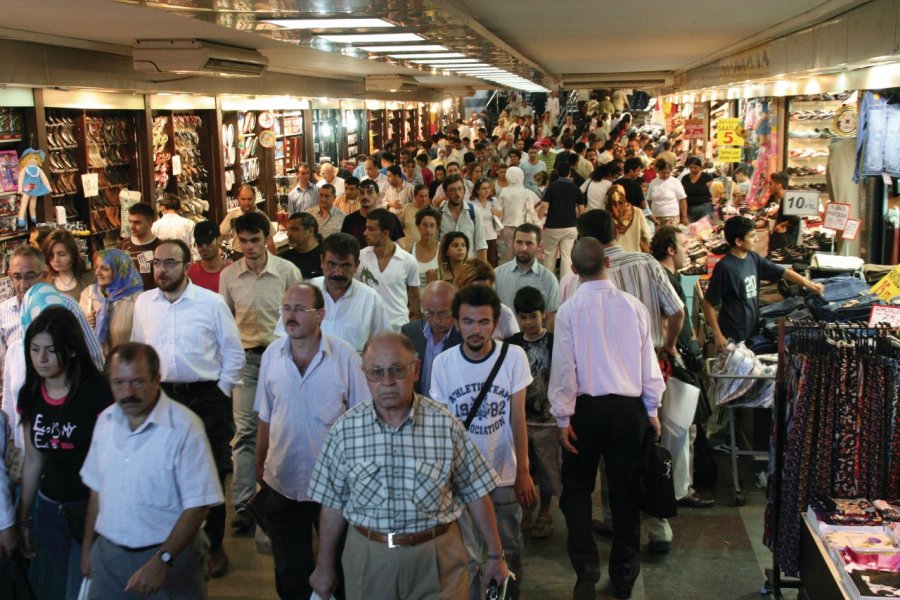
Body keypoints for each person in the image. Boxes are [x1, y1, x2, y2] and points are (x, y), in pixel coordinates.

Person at [307, 332, 509, 600]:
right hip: (369, 559)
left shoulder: (445, 425)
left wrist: (496, 555)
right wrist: (324, 566)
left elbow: (476, 492)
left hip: (438, 560)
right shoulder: (345, 430)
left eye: (397, 370)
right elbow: (332, 504)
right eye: (376, 372)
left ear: (416, 370)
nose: (387, 381)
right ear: (364, 374)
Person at [549, 237, 665, 600]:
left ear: (573, 271)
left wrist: (562, 418)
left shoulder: (568, 310)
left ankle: (586, 567)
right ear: (608, 264)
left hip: (587, 410)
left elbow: (565, 368)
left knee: (577, 491)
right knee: (626, 494)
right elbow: (649, 363)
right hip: (629, 410)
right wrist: (652, 408)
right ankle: (624, 576)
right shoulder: (634, 307)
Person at [131, 238, 245, 577]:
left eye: (169, 263)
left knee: (208, 473)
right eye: (157, 263)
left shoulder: (210, 303)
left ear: (186, 265)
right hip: (161, 397)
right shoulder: (144, 303)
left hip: (206, 396)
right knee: (164, 472)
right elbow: (139, 352)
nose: (161, 270)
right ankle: (172, 545)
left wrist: (220, 391)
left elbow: (233, 353)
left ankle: (214, 545)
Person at [79, 343, 223, 599]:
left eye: (138, 382)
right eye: (118, 383)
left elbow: (199, 505)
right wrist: (88, 549)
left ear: (157, 380)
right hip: (109, 559)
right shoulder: (105, 422)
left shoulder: (185, 427)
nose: (128, 392)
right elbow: (96, 491)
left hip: (171, 563)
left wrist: (162, 561)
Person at [255, 283, 368, 599]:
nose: (290, 315)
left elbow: (362, 419)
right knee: (290, 572)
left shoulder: (345, 356)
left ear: (320, 314)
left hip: (334, 486)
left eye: (299, 309)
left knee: (341, 569)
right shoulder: (271, 356)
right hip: (283, 480)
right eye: (286, 308)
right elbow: (265, 416)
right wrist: (259, 466)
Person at [430, 285, 534, 599]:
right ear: (456, 322)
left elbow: (518, 417)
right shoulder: (444, 364)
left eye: (484, 322)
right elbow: (444, 427)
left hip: (502, 472)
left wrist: (523, 471)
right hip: (462, 479)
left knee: (508, 547)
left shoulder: (513, 356)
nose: (476, 330)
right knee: (470, 555)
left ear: (496, 322)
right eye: (469, 322)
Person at [16, 306, 113, 599]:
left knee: (80, 589)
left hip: (91, 509)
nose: (41, 359)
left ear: (71, 351)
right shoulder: (31, 392)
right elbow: (34, 459)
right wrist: (23, 517)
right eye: (34, 349)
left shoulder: (97, 391)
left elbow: (109, 463)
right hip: (49, 509)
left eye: (51, 350)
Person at [219, 211, 302, 534]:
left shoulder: (287, 271)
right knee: (245, 433)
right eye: (244, 241)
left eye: (255, 240)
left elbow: (301, 314)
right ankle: (243, 505)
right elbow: (225, 322)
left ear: (267, 238)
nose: (250, 247)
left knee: (286, 428)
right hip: (246, 360)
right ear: (236, 241)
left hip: (282, 358)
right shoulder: (229, 276)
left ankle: (285, 496)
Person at [650, 227, 715, 510]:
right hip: (672, 362)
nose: (687, 250)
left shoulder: (669, 277)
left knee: (682, 428)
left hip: (676, 359)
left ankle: (679, 486)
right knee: (680, 428)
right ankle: (678, 489)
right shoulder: (663, 278)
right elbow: (669, 317)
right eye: (682, 245)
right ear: (670, 250)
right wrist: (672, 347)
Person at [702, 216, 824, 351]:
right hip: (733, 332)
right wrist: (718, 335)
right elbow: (708, 304)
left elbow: (782, 272)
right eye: (752, 236)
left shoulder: (753, 258)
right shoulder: (725, 267)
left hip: (752, 328)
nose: (757, 239)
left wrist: (809, 284)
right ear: (738, 241)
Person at [505, 286, 558, 540]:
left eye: (533, 316)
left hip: (548, 418)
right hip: (520, 419)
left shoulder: (554, 342)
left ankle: (545, 512)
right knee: (524, 468)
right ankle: (527, 509)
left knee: (548, 470)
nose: (528, 322)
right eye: (523, 317)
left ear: (543, 314)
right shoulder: (512, 345)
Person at [307, 233, 392, 354]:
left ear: (357, 265)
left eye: (345, 265)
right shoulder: (305, 293)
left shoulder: (371, 300)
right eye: (331, 264)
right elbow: (285, 337)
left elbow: (384, 346)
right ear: (322, 261)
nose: (338, 273)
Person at [357, 208, 421, 330]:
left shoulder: (408, 260)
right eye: (366, 228)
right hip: (367, 325)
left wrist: (419, 327)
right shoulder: (360, 257)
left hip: (398, 325)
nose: (365, 233)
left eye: (371, 229)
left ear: (385, 233)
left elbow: (414, 296)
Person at [400, 280, 462, 395]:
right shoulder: (409, 332)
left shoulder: (464, 337)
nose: (436, 320)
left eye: (443, 313)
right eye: (429, 313)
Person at [494, 223, 559, 331]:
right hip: (505, 341)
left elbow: (551, 317)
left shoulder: (549, 279)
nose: (523, 248)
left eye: (529, 243)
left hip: (535, 342)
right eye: (519, 242)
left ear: (538, 246)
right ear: (513, 243)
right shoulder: (497, 275)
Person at [79, 249, 143, 355]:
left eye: (104, 268)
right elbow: (80, 334)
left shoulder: (138, 300)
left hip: (126, 364)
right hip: (98, 364)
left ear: (120, 270)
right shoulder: (88, 294)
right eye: (96, 267)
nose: (97, 272)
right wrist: (83, 323)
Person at [454, 258, 521, 341]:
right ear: (461, 288)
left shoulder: (504, 314)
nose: (479, 297)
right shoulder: (449, 314)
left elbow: (515, 349)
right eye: (473, 291)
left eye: (485, 291)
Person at [539, 161, 585, 278]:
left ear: (557, 172)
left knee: (550, 255)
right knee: (567, 255)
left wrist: (538, 218)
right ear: (570, 173)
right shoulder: (576, 188)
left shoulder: (552, 187)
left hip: (553, 226)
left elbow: (544, 206)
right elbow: (581, 210)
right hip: (570, 226)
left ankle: (549, 281)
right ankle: (565, 283)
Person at [438, 174, 488, 260]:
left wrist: (483, 271)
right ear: (446, 193)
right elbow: (435, 245)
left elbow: (481, 244)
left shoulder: (474, 212)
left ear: (464, 191)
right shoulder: (439, 214)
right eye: (452, 190)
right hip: (446, 267)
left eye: (460, 189)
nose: (457, 194)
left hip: (469, 266)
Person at [341, 179, 403, 247]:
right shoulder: (349, 220)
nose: (365, 196)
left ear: (378, 195)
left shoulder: (391, 218)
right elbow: (344, 247)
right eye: (361, 193)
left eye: (370, 192)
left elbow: (400, 247)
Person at [496, 167, 540, 263]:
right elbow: (531, 211)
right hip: (522, 227)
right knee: (523, 250)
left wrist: (497, 229)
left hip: (507, 226)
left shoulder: (504, 192)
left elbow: (500, 211)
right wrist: (538, 224)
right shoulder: (526, 192)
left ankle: (509, 272)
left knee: (509, 250)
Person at [42, 229, 95, 302]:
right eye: (51, 255)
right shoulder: (47, 284)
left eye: (61, 254)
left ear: (72, 254)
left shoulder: (90, 278)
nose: (56, 260)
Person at [119, 202, 159, 291]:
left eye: (137, 222)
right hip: (129, 300)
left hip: (153, 300)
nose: (132, 226)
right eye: (130, 221)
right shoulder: (122, 246)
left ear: (150, 223)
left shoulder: (161, 247)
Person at [187, 220, 231, 293]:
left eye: (208, 242)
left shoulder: (232, 272)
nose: (203, 247)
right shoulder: (190, 273)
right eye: (200, 243)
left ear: (219, 240)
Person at [608, 184, 651, 253]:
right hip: (635, 254)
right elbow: (646, 234)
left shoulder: (606, 214)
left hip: (615, 257)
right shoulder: (637, 211)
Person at [279, 212, 323, 279]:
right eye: (288, 230)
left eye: (294, 229)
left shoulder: (327, 256)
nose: (288, 234)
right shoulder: (286, 258)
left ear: (311, 231)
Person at [646, 158, 687, 227]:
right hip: (657, 217)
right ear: (658, 171)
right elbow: (649, 200)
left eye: (668, 173)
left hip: (672, 216)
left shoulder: (675, 182)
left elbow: (682, 199)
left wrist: (684, 216)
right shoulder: (653, 183)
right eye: (663, 172)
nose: (666, 175)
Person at [767, 171, 801, 254]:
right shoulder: (785, 199)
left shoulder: (786, 199)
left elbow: (795, 219)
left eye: (771, 184)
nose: (769, 187)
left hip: (785, 241)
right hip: (784, 240)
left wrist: (781, 225)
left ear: (779, 185)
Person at [473, 178, 501, 266]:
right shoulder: (472, 203)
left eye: (488, 188)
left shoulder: (493, 201)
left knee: (492, 261)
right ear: (477, 190)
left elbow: (500, 213)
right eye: (483, 188)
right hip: (478, 236)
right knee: (480, 262)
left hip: (491, 235)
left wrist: (496, 213)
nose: (487, 190)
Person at [681, 156, 714, 223]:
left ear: (700, 167)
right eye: (690, 167)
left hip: (704, 208)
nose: (692, 170)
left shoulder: (706, 177)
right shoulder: (685, 178)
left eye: (695, 168)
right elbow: (682, 195)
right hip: (689, 209)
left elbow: (713, 192)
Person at [398, 184, 431, 250]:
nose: (424, 199)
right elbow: (400, 226)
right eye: (421, 196)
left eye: (426, 196)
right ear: (415, 197)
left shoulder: (432, 211)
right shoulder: (407, 208)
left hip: (426, 249)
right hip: (409, 249)